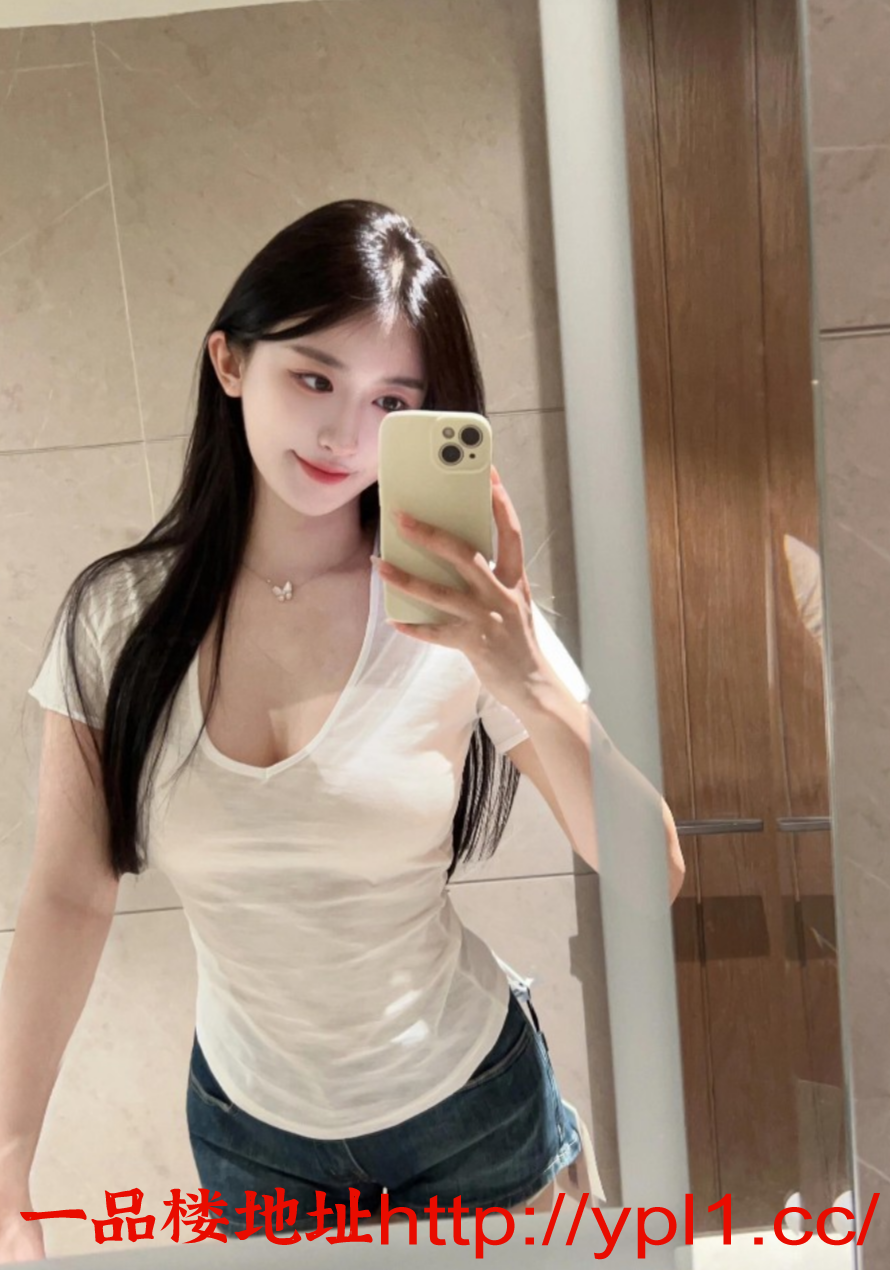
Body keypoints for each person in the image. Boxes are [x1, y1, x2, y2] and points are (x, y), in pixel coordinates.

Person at [0, 199, 684, 1259]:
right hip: (250, 1130)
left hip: (470, 1107)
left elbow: (649, 873)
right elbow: (68, 894)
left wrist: (522, 671)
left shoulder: (461, 607)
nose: (344, 436)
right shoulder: (116, 621)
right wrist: (9, 1162)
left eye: (390, 402)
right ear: (230, 362)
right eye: (315, 379)